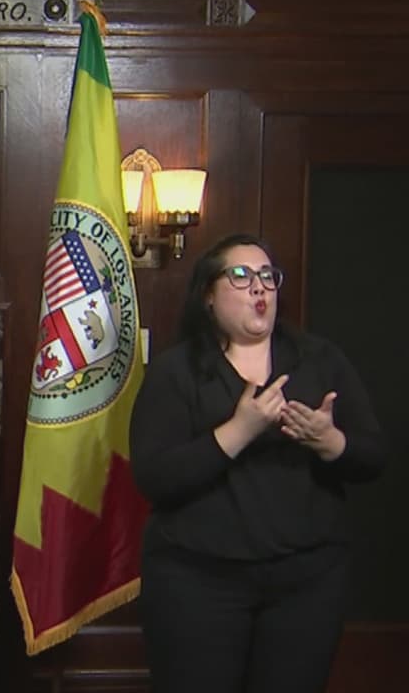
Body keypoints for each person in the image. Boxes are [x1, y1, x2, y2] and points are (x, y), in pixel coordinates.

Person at [130, 233, 388, 693]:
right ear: (208, 295)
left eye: (268, 276)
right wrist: (239, 431)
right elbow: (155, 477)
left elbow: (373, 457)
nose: (259, 287)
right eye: (241, 275)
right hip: (197, 582)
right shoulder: (176, 371)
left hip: (307, 584)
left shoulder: (318, 360)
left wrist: (330, 442)